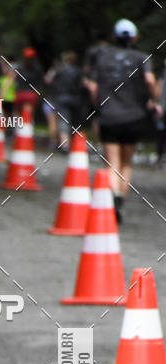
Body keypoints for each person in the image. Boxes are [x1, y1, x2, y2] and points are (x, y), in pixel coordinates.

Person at [85, 18, 160, 223]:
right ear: (134, 37)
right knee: (126, 163)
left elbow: (93, 87)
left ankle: (113, 197)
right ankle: (120, 201)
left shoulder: (102, 58)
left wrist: (98, 107)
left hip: (109, 116)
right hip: (134, 116)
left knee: (112, 162)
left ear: (114, 37)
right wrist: (153, 100)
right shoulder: (142, 58)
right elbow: (150, 80)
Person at [45, 52, 82, 151]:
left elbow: (48, 80)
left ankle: (65, 144)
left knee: (63, 121)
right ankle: (74, 143)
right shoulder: (78, 71)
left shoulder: (59, 70)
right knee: (73, 122)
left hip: (61, 98)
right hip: (75, 99)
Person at [13, 46, 44, 117]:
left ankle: (18, 126)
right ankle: (26, 125)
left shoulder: (19, 67)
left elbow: (13, 80)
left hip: (19, 94)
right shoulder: (37, 69)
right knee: (27, 115)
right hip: (30, 95)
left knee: (18, 115)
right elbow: (41, 83)